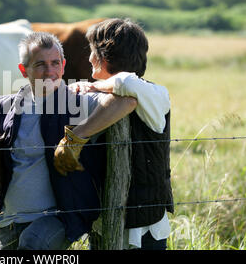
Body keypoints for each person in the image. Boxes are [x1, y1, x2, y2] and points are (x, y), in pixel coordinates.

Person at [0, 31, 138, 250]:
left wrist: (78, 135)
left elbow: (126, 101)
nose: (50, 71)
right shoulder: (4, 108)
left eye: (55, 63)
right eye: (40, 64)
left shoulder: (79, 103)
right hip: (8, 219)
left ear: (63, 65)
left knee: (31, 245)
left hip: (56, 218)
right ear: (24, 70)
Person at [54, 18, 174, 250]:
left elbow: (127, 83)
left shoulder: (155, 94)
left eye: (92, 52)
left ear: (105, 56)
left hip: (144, 225)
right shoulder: (92, 95)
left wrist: (75, 137)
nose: (88, 58)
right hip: (103, 220)